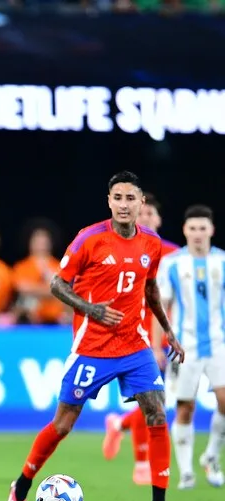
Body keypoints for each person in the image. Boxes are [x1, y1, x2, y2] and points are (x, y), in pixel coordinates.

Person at [4, 171, 186, 501]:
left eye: (130, 198)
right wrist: (91, 309)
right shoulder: (90, 238)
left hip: (134, 344)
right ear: (109, 201)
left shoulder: (150, 243)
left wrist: (168, 331)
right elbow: (58, 285)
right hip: (92, 346)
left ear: (140, 203)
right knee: (63, 424)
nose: (123, 204)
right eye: (117, 197)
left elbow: (150, 291)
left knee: (157, 413)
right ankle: (23, 485)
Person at [101, 194, 181, 484]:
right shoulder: (124, 252)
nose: (146, 217)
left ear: (159, 219)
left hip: (165, 334)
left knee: (157, 402)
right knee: (148, 399)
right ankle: (141, 463)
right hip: (134, 335)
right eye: (142, 213)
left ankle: (118, 424)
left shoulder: (174, 255)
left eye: (150, 213)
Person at [153, 205, 225, 489]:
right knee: (185, 407)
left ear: (211, 230)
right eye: (192, 228)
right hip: (185, 346)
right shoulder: (172, 264)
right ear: (185, 231)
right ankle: (185, 471)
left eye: (202, 228)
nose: (197, 233)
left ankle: (211, 456)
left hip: (219, 342)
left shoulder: (222, 261)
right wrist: (156, 345)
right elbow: (161, 307)